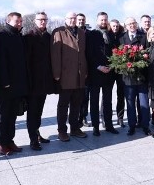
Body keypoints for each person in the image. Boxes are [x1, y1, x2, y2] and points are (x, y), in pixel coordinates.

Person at [0, 12, 29, 155]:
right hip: (4, 85)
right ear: (8, 21)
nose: (19, 23)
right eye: (16, 21)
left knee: (13, 114)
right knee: (3, 115)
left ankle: (9, 141)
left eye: (21, 21)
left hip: (17, 84)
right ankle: (0, 143)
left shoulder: (18, 36)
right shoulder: (1, 36)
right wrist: (4, 81)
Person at [51, 11, 88, 141]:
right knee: (63, 105)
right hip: (66, 75)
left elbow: (83, 53)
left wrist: (85, 70)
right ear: (65, 19)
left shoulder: (82, 33)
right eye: (70, 18)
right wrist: (56, 74)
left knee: (76, 104)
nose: (73, 20)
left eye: (74, 18)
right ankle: (62, 130)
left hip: (79, 75)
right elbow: (55, 55)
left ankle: (75, 128)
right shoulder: (58, 32)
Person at [24, 12, 56, 151]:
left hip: (44, 81)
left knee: (39, 111)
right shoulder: (29, 37)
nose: (43, 22)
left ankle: (37, 134)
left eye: (45, 20)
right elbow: (25, 62)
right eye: (40, 20)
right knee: (32, 112)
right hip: (33, 82)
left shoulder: (49, 37)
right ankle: (33, 140)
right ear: (35, 21)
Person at [85, 12, 120, 136]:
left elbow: (115, 52)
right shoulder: (91, 34)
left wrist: (111, 66)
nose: (104, 22)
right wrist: (98, 66)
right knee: (94, 101)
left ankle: (109, 124)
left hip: (108, 73)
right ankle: (95, 127)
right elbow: (88, 53)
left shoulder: (111, 34)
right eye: (101, 20)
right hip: (95, 73)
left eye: (105, 20)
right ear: (97, 20)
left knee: (107, 101)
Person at [120, 17, 150, 136]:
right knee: (130, 103)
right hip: (128, 78)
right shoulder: (121, 38)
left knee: (144, 103)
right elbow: (118, 55)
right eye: (129, 24)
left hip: (142, 77)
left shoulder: (144, 36)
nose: (132, 25)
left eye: (133, 23)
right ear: (126, 26)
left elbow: (148, 52)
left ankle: (145, 126)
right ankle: (131, 126)